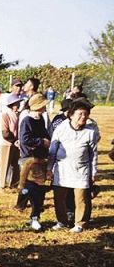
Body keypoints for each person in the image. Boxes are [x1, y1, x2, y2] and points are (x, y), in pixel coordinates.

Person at [48, 100, 99, 233]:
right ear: (71, 115)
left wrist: (94, 172)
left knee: (81, 198)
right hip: (62, 169)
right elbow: (53, 151)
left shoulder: (90, 132)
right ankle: (62, 221)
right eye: (80, 114)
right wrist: (49, 169)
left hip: (81, 170)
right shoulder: (61, 128)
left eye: (86, 114)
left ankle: (80, 223)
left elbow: (93, 153)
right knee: (59, 198)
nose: (83, 117)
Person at [15, 93, 51, 231]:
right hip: (29, 160)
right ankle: (29, 211)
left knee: (38, 191)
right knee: (31, 189)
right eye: (43, 106)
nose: (45, 108)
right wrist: (41, 141)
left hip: (40, 159)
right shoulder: (27, 121)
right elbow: (25, 140)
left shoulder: (40, 119)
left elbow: (45, 134)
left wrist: (47, 141)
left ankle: (34, 216)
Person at [0, 88, 23, 189]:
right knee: (5, 165)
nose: (19, 105)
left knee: (16, 165)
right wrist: (14, 140)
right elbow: (5, 132)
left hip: (16, 144)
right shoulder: (6, 115)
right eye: (17, 103)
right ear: (12, 105)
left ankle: (14, 184)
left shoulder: (19, 115)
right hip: (7, 143)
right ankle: (1, 185)